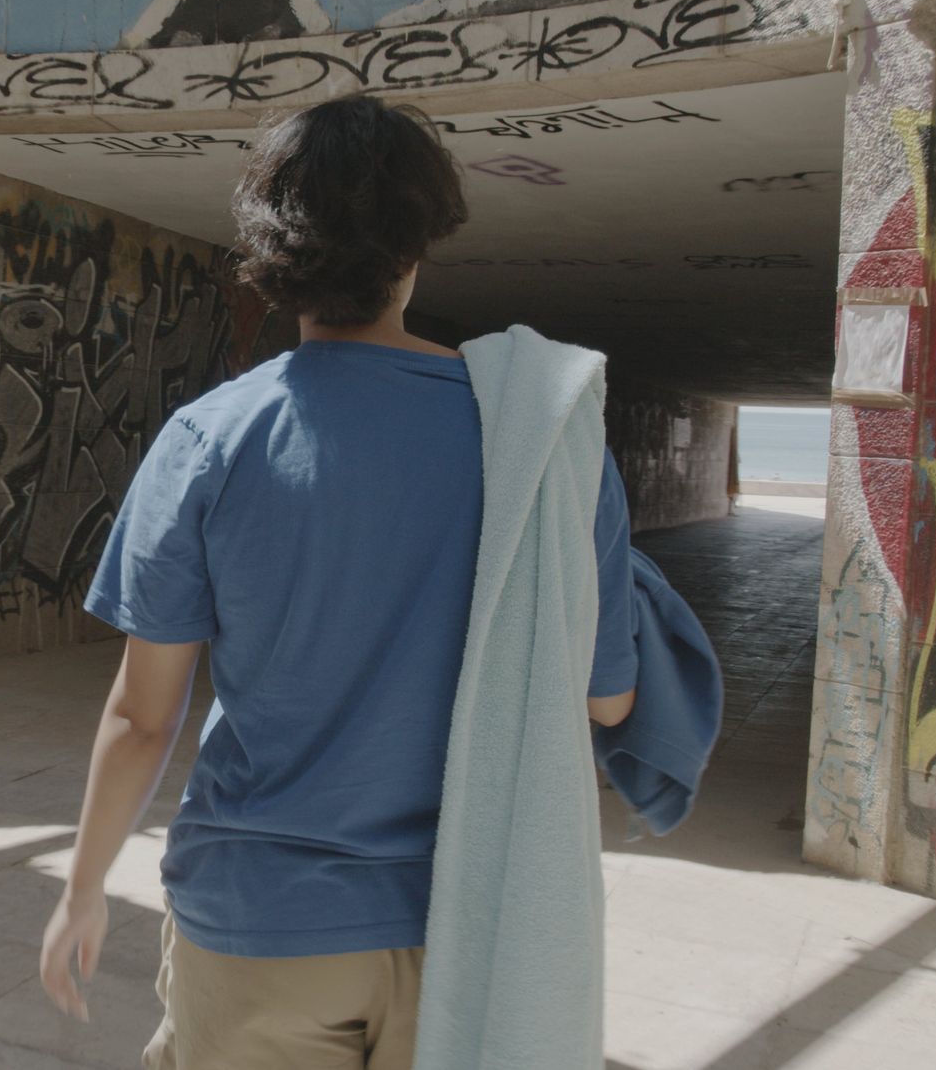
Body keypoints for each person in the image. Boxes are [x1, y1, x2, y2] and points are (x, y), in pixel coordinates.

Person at [38, 94, 639, 1069]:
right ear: (416, 248)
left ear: (274, 255)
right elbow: (605, 700)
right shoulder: (541, 443)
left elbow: (142, 717)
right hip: (464, 930)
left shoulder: (207, 441)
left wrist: (82, 890)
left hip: (256, 924)